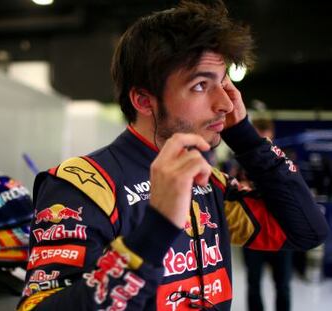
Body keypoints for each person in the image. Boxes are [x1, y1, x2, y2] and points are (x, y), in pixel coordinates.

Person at [17, 1, 329, 310]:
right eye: (201, 85)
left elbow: (307, 231)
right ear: (143, 100)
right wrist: (157, 228)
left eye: (223, 83)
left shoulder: (209, 182)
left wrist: (246, 138)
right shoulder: (82, 186)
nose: (225, 103)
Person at [233, 118, 293, 311]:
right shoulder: (240, 160)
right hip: (253, 233)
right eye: (259, 135)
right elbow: (232, 190)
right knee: (253, 283)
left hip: (281, 232)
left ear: (272, 134)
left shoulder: (284, 158)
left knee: (283, 284)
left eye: (266, 135)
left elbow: (291, 190)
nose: (263, 140)